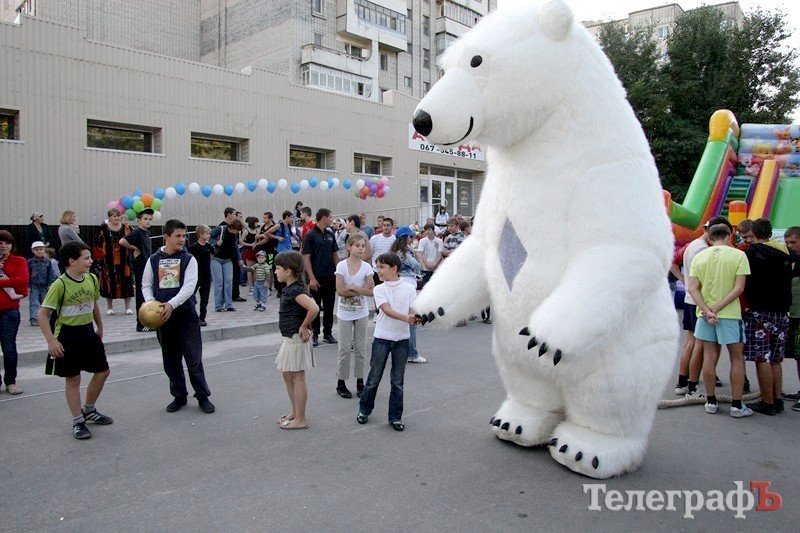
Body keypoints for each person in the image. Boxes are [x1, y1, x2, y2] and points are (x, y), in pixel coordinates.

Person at [39, 241, 112, 439]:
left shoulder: (91, 279)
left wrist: (100, 326)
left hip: (88, 332)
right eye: (86, 258)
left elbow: (94, 303)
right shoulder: (59, 285)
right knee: (73, 379)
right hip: (67, 336)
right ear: (72, 261)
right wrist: (51, 342)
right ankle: (78, 421)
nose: (90, 261)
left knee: (103, 371)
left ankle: (89, 409)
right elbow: (43, 315)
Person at [142, 219, 214, 414]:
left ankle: (202, 395)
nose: (182, 240)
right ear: (166, 237)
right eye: (178, 236)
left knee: (193, 358)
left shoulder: (189, 259)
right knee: (170, 359)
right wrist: (151, 304)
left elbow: (190, 286)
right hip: (162, 317)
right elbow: (146, 284)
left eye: (184, 236)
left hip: (186, 315)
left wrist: (172, 304)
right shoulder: (154, 259)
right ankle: (179, 395)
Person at [687, 223, 752, 418]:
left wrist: (707, 310)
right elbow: (739, 288)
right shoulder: (739, 255)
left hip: (705, 315)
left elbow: (692, 288)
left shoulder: (700, 257)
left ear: (709, 236)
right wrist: (717, 308)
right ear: (729, 235)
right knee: (736, 357)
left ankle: (711, 401)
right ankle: (737, 404)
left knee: (709, 356)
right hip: (730, 314)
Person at [357, 253, 418, 431]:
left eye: (382, 267)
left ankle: (395, 417)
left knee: (397, 382)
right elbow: (387, 310)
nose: (379, 271)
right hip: (382, 339)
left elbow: (413, 309)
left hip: (402, 340)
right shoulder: (379, 289)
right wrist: (407, 318)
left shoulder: (409, 288)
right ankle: (364, 410)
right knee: (373, 379)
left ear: (394, 268)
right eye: (377, 267)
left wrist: (416, 317)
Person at [741, 218, 792, 415]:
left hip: (760, 311)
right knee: (776, 359)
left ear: (752, 233)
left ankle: (767, 402)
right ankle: (777, 398)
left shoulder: (750, 254)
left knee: (762, 357)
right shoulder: (784, 253)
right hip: (782, 312)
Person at [274, 250, 319, 430]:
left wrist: (304, 325)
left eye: (277, 268)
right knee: (288, 374)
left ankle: (300, 418)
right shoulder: (290, 289)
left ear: (288, 271)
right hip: (289, 338)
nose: (275, 272)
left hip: (295, 338)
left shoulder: (297, 291)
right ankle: (295, 411)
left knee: (297, 376)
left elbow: (314, 308)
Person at [334, 233, 374, 399]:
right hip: (344, 313)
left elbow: (371, 292)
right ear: (349, 247)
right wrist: (360, 288)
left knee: (360, 349)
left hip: (361, 312)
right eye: (357, 245)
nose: (361, 248)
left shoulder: (366, 267)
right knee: (344, 349)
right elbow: (341, 291)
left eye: (363, 246)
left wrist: (354, 288)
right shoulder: (342, 266)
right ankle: (341, 382)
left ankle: (360, 382)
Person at [302, 208, 339, 347]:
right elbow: (306, 257)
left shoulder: (330, 234)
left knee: (329, 306)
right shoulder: (310, 235)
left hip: (330, 276)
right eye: (330, 217)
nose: (332, 220)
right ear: (323, 218)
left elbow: (335, 254)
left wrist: (339, 271)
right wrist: (311, 278)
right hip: (316, 277)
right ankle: (315, 334)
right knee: (315, 307)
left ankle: (328, 333)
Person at [392, 226, 427, 364]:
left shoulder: (396, 251)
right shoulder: (404, 252)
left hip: (400, 284)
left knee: (402, 320)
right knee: (412, 320)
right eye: (411, 237)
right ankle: (412, 353)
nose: (413, 239)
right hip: (408, 285)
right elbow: (418, 266)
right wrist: (418, 256)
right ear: (405, 237)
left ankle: (400, 351)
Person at [0, 230, 29, 395]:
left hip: (9, 311)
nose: (3, 246)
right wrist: (5, 283)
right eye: (0, 243)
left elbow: (23, 280)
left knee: (9, 347)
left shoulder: (19, 260)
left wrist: (3, 281)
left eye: (7, 243)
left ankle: (11, 381)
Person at [95, 208, 134, 316]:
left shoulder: (127, 228)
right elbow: (98, 243)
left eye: (118, 216)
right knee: (109, 281)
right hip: (108, 260)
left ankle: (128, 307)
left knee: (126, 282)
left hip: (124, 259)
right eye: (114, 216)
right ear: (109, 218)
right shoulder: (103, 228)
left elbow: (133, 241)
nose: (116, 218)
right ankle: (110, 307)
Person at [119, 208, 154, 331]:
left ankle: (147, 320)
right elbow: (122, 241)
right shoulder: (137, 232)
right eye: (145, 219)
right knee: (141, 294)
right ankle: (141, 324)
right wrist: (134, 248)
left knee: (146, 293)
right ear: (139, 220)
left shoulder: (146, 233)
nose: (148, 221)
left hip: (146, 265)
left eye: (150, 219)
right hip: (140, 266)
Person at [210, 208, 244, 312]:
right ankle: (219, 305)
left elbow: (235, 247)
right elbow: (208, 237)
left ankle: (229, 304)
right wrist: (215, 244)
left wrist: (239, 259)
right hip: (216, 258)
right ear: (231, 227)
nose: (236, 232)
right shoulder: (220, 229)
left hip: (228, 259)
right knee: (219, 281)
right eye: (236, 230)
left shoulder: (234, 234)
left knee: (229, 281)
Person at [781, 226, 800, 411]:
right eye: (787, 243)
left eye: (793, 242)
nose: (789, 246)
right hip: (795, 314)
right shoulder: (793, 259)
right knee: (798, 355)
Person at [27, 241, 58, 327]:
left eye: (41, 249)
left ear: (44, 250)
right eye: (36, 250)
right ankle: (34, 318)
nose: (39, 251)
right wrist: (28, 285)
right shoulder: (30, 262)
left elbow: (51, 274)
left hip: (45, 285)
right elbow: (27, 274)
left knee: (46, 302)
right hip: (34, 285)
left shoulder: (48, 262)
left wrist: (50, 284)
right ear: (33, 251)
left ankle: (46, 317)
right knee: (34, 302)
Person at [188, 224, 213, 327]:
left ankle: (202, 317)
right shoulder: (193, 247)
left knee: (205, 297)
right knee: (191, 295)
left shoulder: (208, 246)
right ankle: (192, 315)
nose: (208, 235)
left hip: (206, 274)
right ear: (200, 234)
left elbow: (214, 253)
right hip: (197, 275)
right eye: (207, 233)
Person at [273, 211, 295, 297]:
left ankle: (286, 288)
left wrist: (297, 237)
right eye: (291, 217)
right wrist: (277, 237)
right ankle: (279, 290)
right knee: (280, 269)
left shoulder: (288, 226)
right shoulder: (279, 225)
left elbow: (291, 235)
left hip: (288, 250)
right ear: (287, 217)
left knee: (288, 270)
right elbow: (267, 233)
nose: (292, 219)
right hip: (280, 251)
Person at [369, 217, 396, 286]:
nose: (386, 227)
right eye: (384, 225)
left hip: (389, 272)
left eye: (388, 225)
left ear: (392, 227)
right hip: (375, 271)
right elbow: (370, 254)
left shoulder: (395, 240)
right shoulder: (374, 238)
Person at [417, 223, 443, 288]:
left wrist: (435, 264)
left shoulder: (439, 241)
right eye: (426, 230)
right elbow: (421, 253)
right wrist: (426, 264)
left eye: (429, 230)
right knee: (425, 287)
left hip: (436, 267)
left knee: (436, 287)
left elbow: (440, 253)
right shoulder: (422, 241)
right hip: (425, 268)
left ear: (433, 230)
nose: (427, 232)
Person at [240, 216, 260, 291]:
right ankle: (251, 286)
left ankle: (255, 285)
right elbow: (241, 241)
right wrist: (250, 244)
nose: (257, 224)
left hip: (256, 251)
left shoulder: (257, 231)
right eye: (256, 222)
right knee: (249, 268)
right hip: (249, 251)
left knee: (255, 268)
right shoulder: (246, 231)